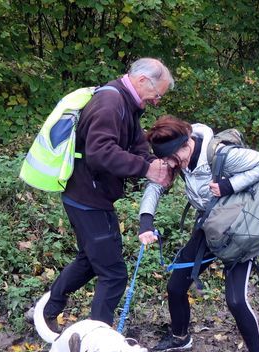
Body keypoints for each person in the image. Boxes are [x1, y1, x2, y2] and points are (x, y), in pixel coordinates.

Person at [41, 58, 174, 331]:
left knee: (90, 260)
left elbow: (136, 144)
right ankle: (98, 342)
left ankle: (48, 310)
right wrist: (145, 169)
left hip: (91, 196)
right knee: (113, 274)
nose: (157, 101)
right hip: (87, 198)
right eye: (157, 94)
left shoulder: (128, 104)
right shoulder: (110, 103)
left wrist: (153, 164)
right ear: (141, 81)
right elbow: (100, 153)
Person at [138, 115, 259, 352]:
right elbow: (155, 185)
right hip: (210, 225)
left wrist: (228, 185)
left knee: (235, 300)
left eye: (173, 160)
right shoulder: (175, 157)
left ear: (186, 144)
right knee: (176, 285)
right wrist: (146, 221)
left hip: (238, 228)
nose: (169, 166)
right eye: (166, 161)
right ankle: (180, 338)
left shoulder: (222, 155)